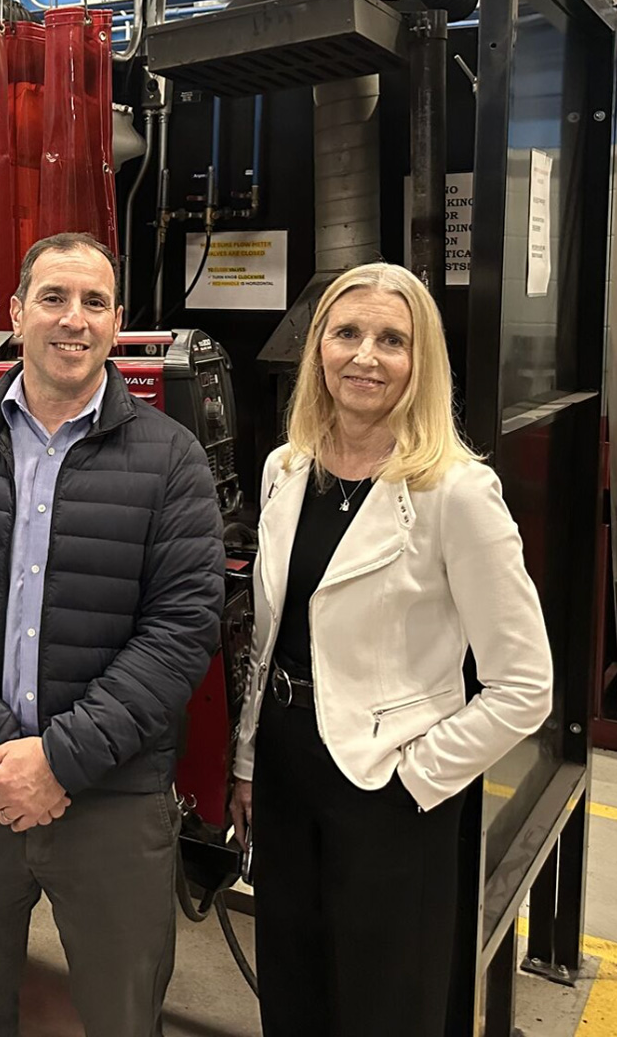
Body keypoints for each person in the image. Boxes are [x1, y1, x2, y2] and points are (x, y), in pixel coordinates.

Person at [0, 231, 225, 1037]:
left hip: (112, 797)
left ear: (116, 323)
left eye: (94, 303)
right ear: (16, 314)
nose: (73, 320)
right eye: (53, 298)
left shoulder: (171, 458)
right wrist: (1, 747)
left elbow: (181, 629)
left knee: (122, 1016)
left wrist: (60, 759)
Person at [229, 262, 553, 1037]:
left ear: (422, 362)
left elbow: (524, 685)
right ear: (318, 352)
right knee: (293, 987)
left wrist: (417, 780)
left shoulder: (456, 492)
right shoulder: (287, 469)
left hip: (389, 784)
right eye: (346, 334)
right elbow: (270, 637)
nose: (365, 356)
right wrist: (246, 763)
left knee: (385, 1004)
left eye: (391, 340)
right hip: (285, 763)